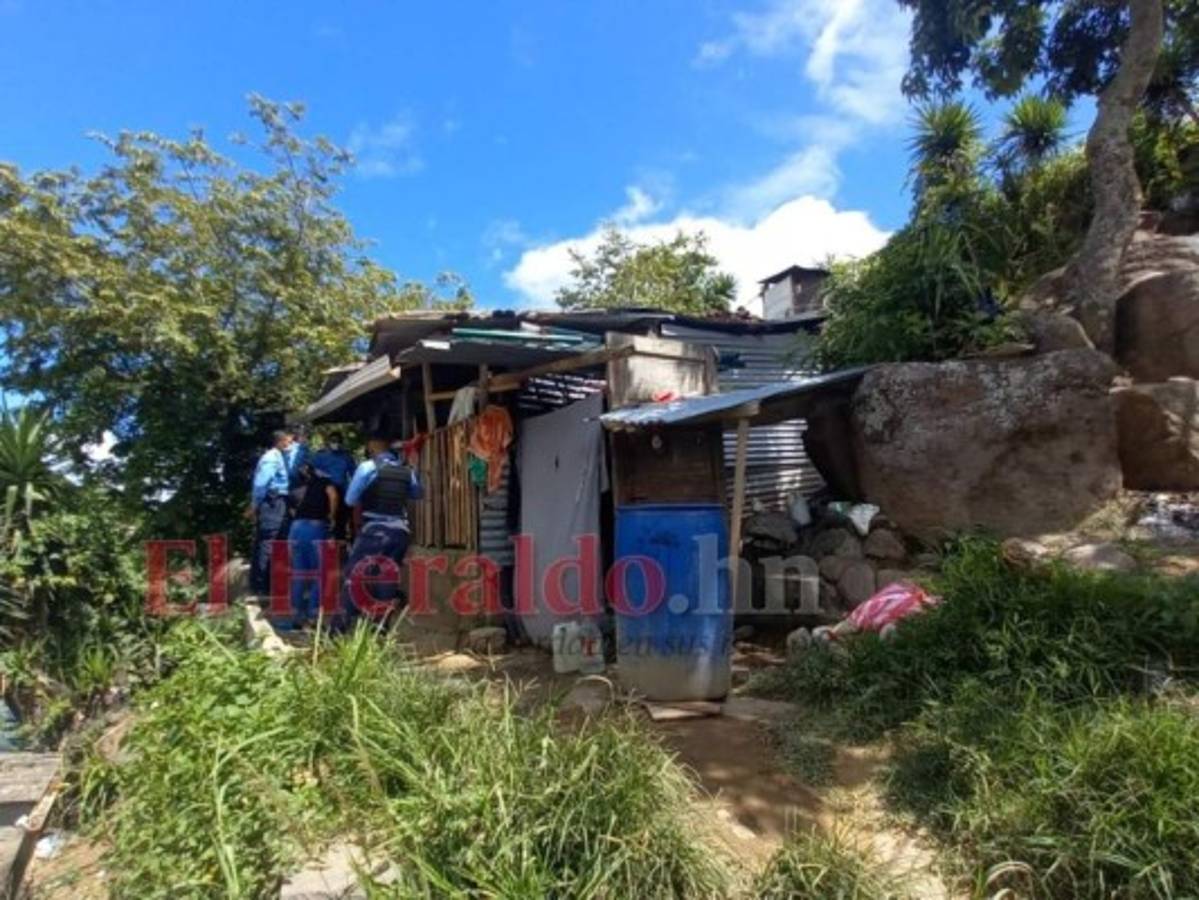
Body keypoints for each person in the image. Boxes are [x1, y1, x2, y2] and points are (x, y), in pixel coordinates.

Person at [340, 433, 423, 625]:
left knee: (354, 576)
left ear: (371, 448)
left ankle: (338, 631)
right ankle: (380, 631)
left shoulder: (367, 467)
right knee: (387, 581)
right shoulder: (406, 471)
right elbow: (417, 493)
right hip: (400, 532)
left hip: (375, 531)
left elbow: (350, 500)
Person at [284, 463, 339, 629]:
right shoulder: (323, 481)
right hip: (316, 528)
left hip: (296, 529)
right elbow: (333, 495)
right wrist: (332, 515)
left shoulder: (294, 488)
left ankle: (296, 618)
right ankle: (314, 616)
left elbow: (292, 512)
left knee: (298, 574)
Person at [248, 430, 294, 596]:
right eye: (289, 441)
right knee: (268, 542)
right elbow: (261, 484)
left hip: (278, 502)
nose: (291, 445)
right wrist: (254, 505)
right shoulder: (271, 458)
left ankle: (271, 584)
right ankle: (261, 587)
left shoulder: (280, 457)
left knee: (278, 541)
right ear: (281, 441)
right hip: (272, 502)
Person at [311, 431, 357, 542]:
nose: (335, 443)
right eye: (333, 441)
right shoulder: (320, 456)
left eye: (338, 441)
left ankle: (339, 545)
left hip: (341, 492)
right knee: (323, 520)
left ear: (341, 443)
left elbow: (354, 474)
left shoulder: (346, 457)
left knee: (341, 521)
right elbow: (313, 473)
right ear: (329, 442)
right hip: (325, 492)